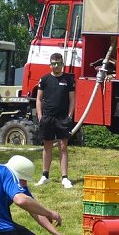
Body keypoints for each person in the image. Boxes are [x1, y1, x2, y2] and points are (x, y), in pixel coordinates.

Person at [35, 52, 76, 189]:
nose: (56, 66)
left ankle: (65, 177)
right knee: (47, 145)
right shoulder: (44, 79)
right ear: (50, 65)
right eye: (54, 64)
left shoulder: (68, 80)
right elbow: (39, 99)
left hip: (62, 117)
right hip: (47, 117)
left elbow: (72, 99)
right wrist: (40, 115)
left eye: (58, 64)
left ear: (62, 64)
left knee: (63, 146)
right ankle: (45, 175)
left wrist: (70, 115)